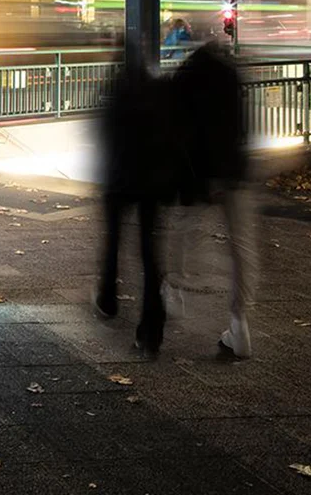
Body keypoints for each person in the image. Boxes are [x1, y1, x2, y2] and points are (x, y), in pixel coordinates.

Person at [170, 39, 257, 358]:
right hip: (234, 170)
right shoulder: (231, 74)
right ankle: (239, 323)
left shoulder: (185, 75)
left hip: (200, 173)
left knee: (184, 231)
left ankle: (174, 288)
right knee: (241, 247)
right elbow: (240, 127)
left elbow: (178, 130)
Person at [94, 50, 175, 355]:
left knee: (113, 242)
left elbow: (105, 136)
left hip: (118, 183)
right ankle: (151, 329)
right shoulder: (158, 92)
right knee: (150, 255)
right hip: (151, 186)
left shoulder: (115, 92)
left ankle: (108, 298)